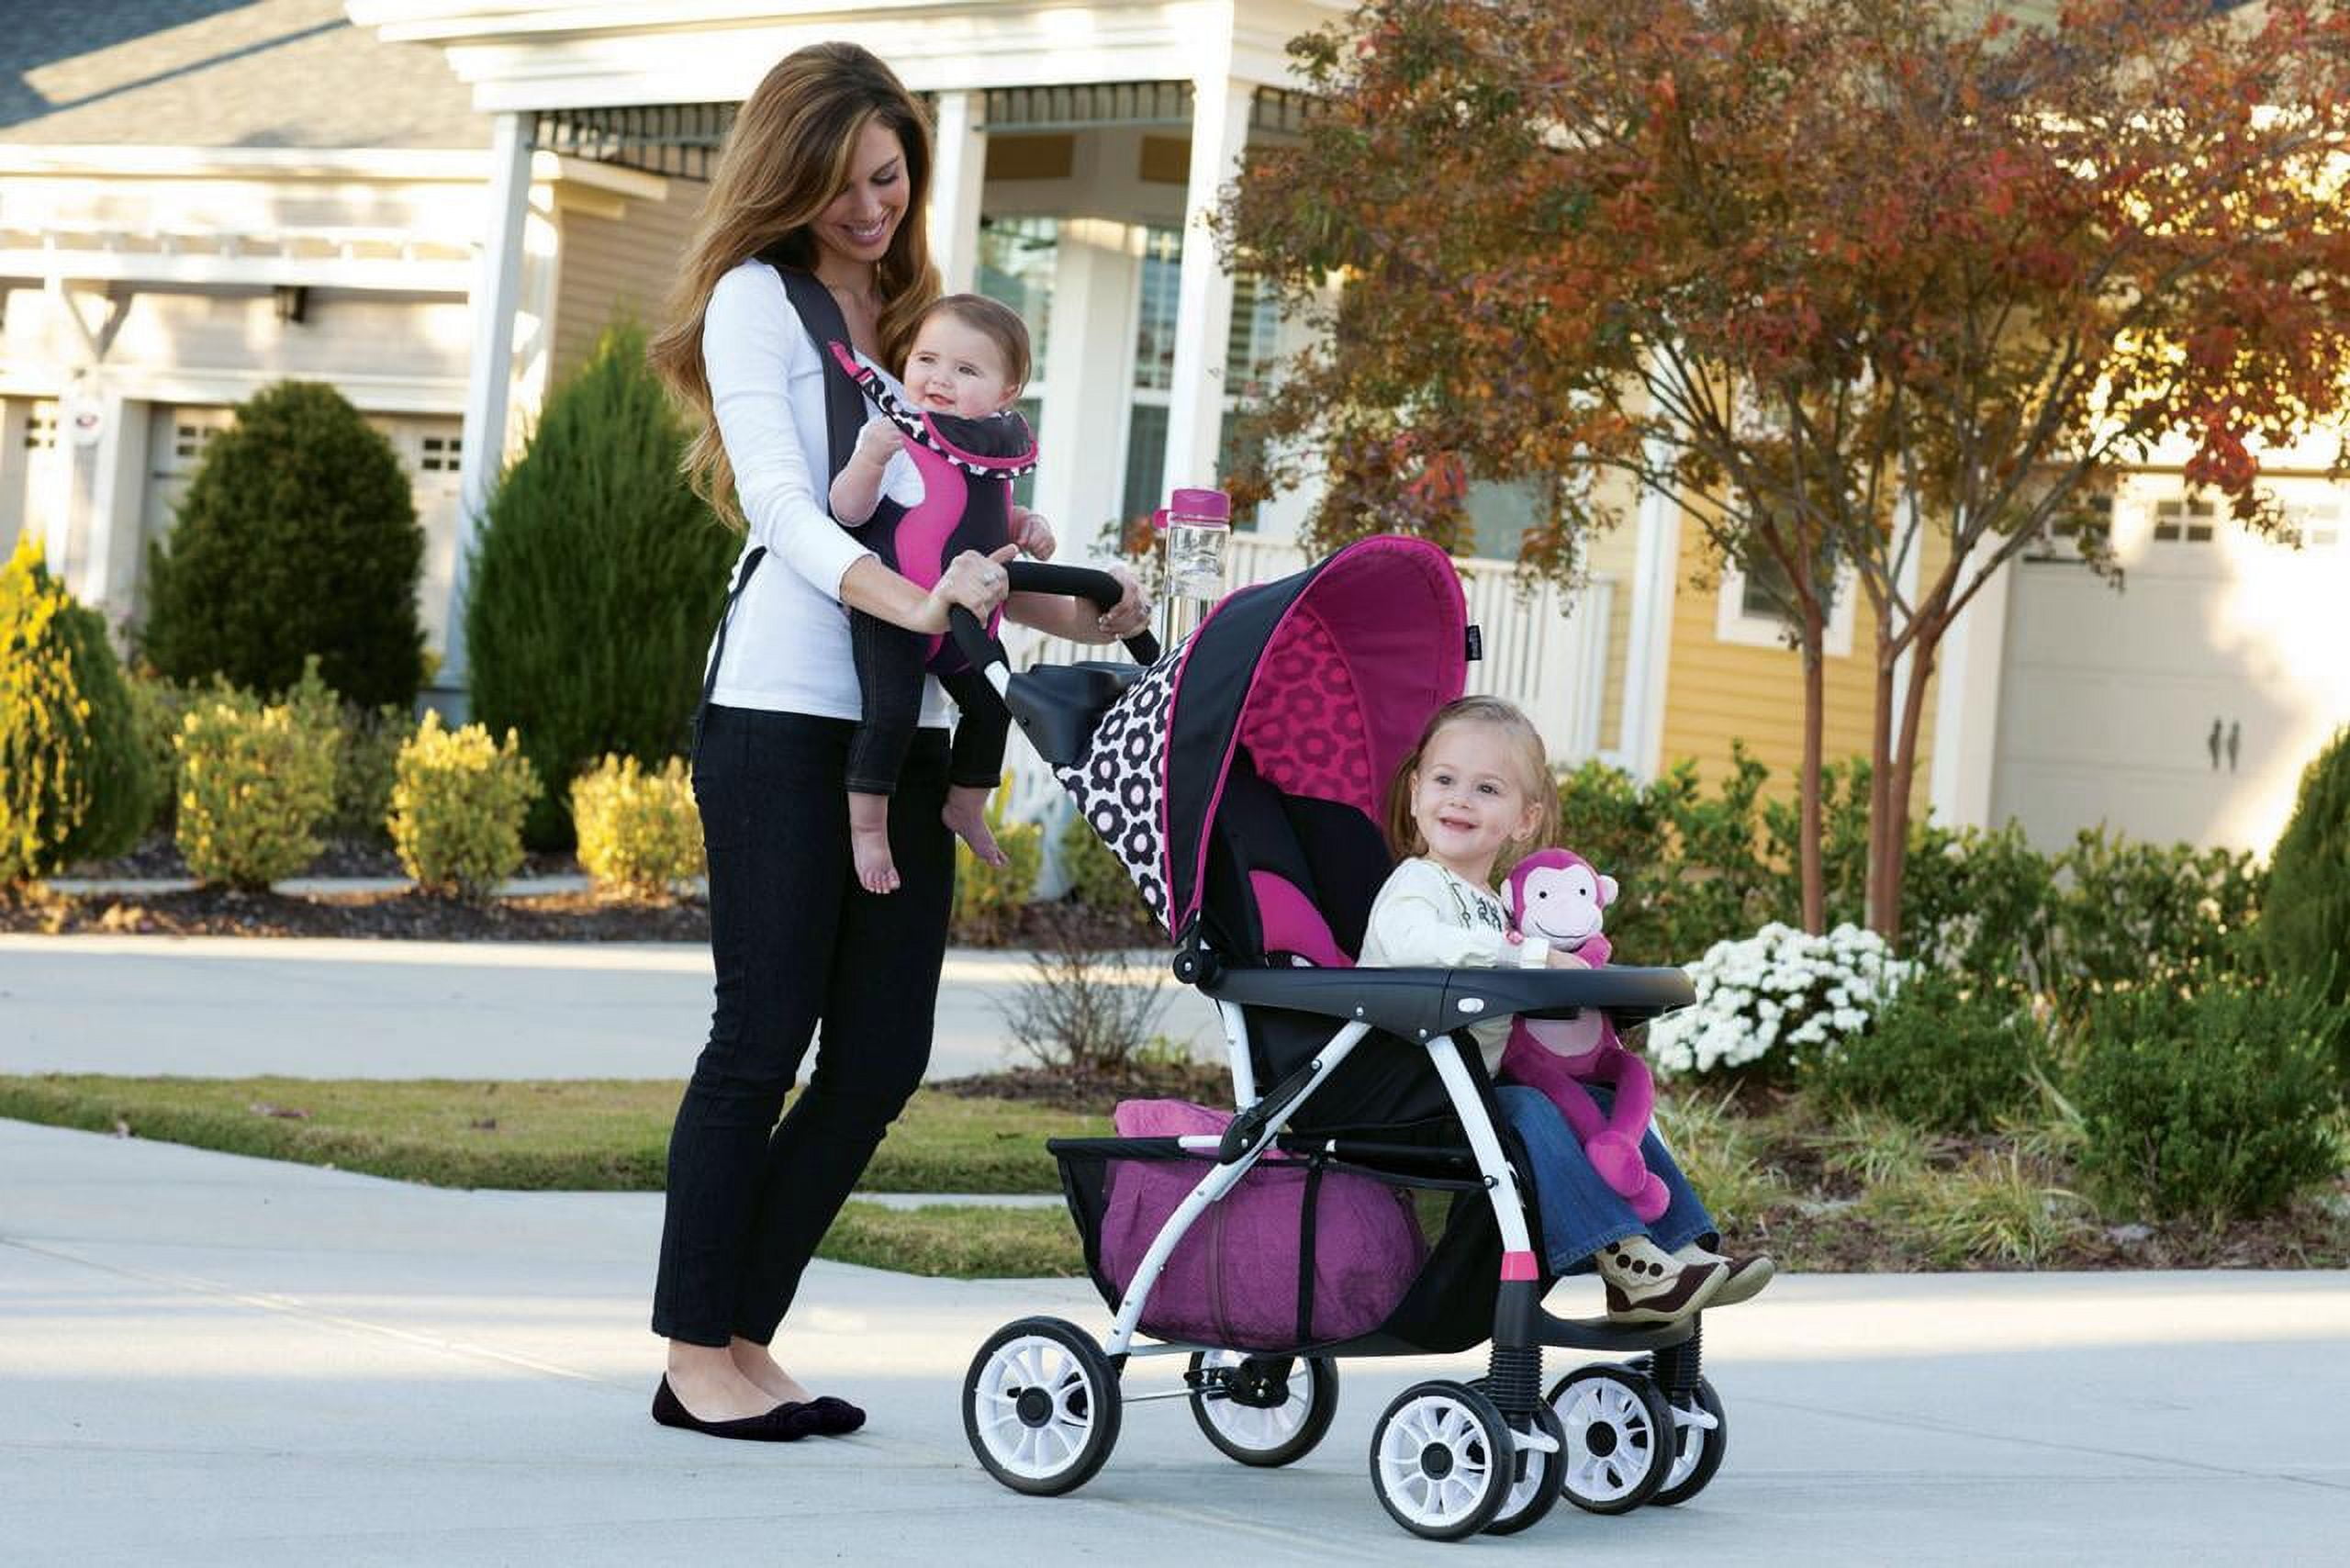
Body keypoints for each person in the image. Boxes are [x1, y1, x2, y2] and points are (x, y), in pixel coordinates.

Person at [643, 41, 1150, 1443]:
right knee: (761, 1039)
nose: (873, 207)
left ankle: (744, 1333)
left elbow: (962, 543)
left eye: (890, 177)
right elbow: (784, 507)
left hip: (912, 720)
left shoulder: (923, 325)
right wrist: (905, 598)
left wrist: (1080, 601)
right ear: (786, 176)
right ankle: (695, 1355)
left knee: (877, 1058)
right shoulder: (760, 301)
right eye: (844, 182)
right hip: (781, 710)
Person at [1357, 696, 1773, 1327]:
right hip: (1405, 1097)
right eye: (1444, 780)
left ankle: (1682, 1246)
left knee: (1604, 1104)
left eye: (1486, 789)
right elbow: (1417, 944)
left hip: (1468, 1089)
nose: (1460, 799)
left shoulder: (1498, 906)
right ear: (1415, 794)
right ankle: (1626, 1261)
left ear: (1524, 820)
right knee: (1532, 1108)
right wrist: (1529, 957)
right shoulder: (1416, 885)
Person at [827, 292, 1047, 894]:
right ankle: (868, 829)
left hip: (966, 621)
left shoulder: (992, 451)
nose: (940, 379)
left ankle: (966, 805)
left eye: (966, 369)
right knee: (890, 714)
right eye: (926, 360)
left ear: (1006, 393)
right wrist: (869, 460)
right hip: (895, 610)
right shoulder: (897, 437)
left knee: (998, 703)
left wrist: (1026, 526)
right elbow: (847, 512)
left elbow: (989, 517)